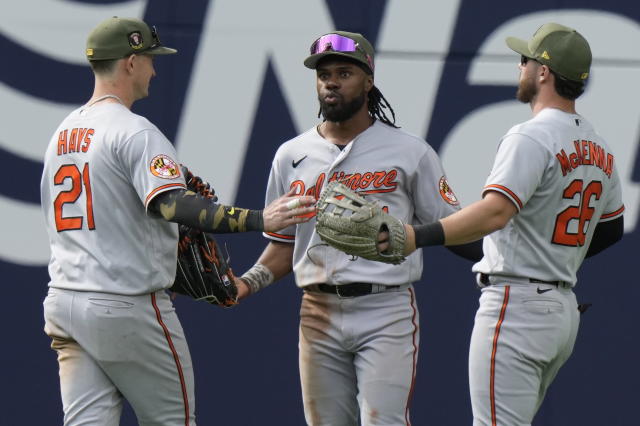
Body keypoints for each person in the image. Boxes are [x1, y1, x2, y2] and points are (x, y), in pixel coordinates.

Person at [40, 17, 314, 426]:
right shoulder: (134, 131)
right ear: (130, 62)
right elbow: (172, 205)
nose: (154, 68)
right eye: (150, 59)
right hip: (125, 303)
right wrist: (261, 218)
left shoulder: (62, 133)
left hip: (64, 301)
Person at [235, 31, 481, 425]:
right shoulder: (291, 155)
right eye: (324, 74)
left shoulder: (409, 151)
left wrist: (514, 269)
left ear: (368, 81)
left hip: (385, 308)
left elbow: (454, 227)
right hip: (317, 310)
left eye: (344, 73)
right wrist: (246, 283)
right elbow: (285, 245)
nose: (331, 81)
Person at [398, 23, 624, 425]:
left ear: (543, 72)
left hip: (517, 308)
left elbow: (494, 213)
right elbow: (609, 229)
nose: (519, 66)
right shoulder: (599, 146)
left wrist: (416, 236)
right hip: (561, 312)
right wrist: (556, 262)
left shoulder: (531, 136)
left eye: (525, 59)